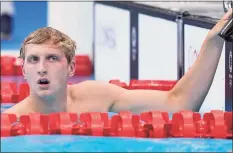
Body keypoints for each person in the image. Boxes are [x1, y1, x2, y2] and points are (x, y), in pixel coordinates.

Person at [2, 9, 232, 117]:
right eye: (33, 60)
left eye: (52, 58)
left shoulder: (97, 97)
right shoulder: (11, 121)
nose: (42, 67)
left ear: (71, 68)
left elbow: (179, 103)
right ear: (22, 70)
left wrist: (214, 40)